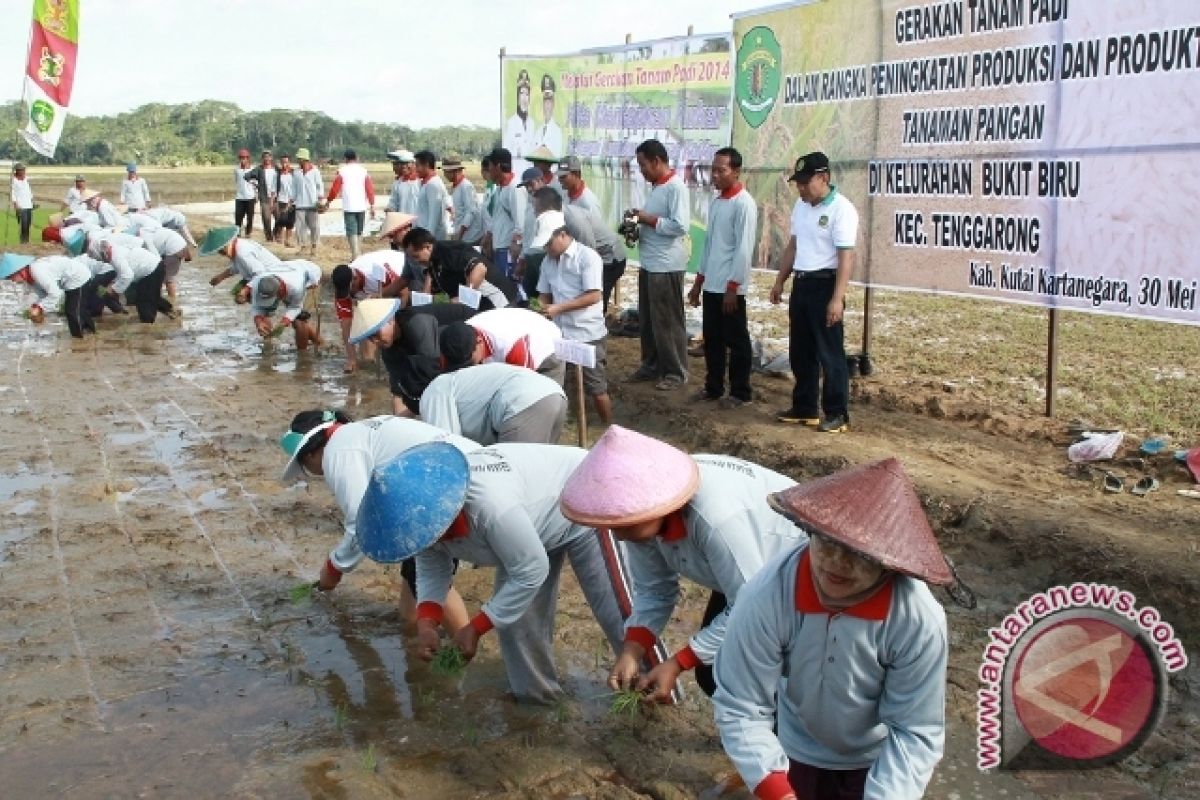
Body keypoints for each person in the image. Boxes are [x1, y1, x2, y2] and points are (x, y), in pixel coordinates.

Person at [713, 458, 952, 800]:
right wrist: (775, 788)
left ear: (889, 563)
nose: (836, 563)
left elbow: (916, 731)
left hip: (876, 758)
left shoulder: (917, 620)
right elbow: (741, 703)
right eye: (827, 543)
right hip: (797, 745)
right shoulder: (769, 593)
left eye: (858, 554)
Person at [353, 441, 629, 704]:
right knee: (513, 620)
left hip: (585, 498)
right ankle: (538, 701)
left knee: (617, 613)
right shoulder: (422, 521)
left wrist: (475, 628)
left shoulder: (489, 507)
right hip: (531, 525)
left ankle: (652, 693)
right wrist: (427, 623)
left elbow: (532, 569)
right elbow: (431, 565)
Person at [560, 425, 806, 702]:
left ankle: (781, 739)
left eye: (622, 523)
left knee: (770, 679)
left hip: (798, 577)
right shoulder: (647, 516)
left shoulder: (717, 518)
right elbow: (655, 589)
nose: (616, 534)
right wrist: (632, 651)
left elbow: (750, 606)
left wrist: (677, 663)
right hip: (748, 578)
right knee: (715, 673)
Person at [279, 409, 472, 633]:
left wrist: (333, 569)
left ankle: (464, 643)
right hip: (451, 473)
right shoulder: (356, 433)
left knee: (431, 578)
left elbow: (359, 524)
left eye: (303, 466)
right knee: (414, 578)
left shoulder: (338, 451)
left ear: (310, 454)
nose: (309, 472)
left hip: (448, 486)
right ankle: (410, 629)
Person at [770, 152, 858, 433]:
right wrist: (780, 281)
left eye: (806, 183)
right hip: (802, 283)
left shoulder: (842, 209)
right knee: (801, 350)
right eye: (798, 183)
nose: (801, 188)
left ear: (824, 178)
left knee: (830, 352)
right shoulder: (801, 206)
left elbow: (846, 257)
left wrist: (836, 298)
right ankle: (804, 407)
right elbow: (793, 246)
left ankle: (836, 412)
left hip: (825, 285)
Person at [688, 147, 757, 409]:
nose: (715, 175)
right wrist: (698, 283)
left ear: (736, 172)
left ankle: (741, 392)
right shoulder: (717, 202)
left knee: (737, 340)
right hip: (712, 284)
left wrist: (733, 286)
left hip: (730, 286)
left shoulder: (744, 204)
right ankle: (713, 386)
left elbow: (743, 249)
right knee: (712, 338)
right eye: (713, 170)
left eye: (721, 170)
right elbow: (709, 246)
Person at [534, 210, 613, 425]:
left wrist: (559, 308)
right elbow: (543, 292)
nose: (546, 249)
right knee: (561, 382)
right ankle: (565, 422)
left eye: (548, 243)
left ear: (562, 235)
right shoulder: (548, 261)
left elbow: (594, 295)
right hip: (560, 333)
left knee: (596, 386)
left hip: (587, 333)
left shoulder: (588, 257)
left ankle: (608, 427)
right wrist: (542, 308)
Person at [628, 139, 690, 391]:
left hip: (666, 266)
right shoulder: (658, 187)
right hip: (651, 264)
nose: (641, 170)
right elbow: (655, 222)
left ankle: (675, 372)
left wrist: (647, 219)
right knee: (649, 320)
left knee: (667, 321)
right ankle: (652, 365)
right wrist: (635, 226)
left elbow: (679, 225)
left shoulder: (675, 187)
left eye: (643, 164)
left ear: (656, 161)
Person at [347, 298, 476, 415]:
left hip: (474, 335)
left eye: (376, 334)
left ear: (390, 320)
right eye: (370, 337)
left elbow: (435, 382)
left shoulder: (417, 324)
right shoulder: (388, 349)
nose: (375, 341)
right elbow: (400, 393)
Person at [420, 362, 567, 445]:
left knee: (514, 474)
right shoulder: (461, 380)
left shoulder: (435, 389)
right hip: (555, 393)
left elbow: (448, 446)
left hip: (523, 402)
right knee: (541, 468)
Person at [558, 155, 627, 313]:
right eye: (559, 176)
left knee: (594, 299)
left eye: (564, 176)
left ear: (576, 174)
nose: (561, 180)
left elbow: (592, 245)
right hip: (592, 250)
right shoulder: (566, 195)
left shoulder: (588, 202)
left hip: (608, 257)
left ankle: (596, 331)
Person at [331, 242, 408, 373]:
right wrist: (351, 359)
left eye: (351, 290)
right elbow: (346, 325)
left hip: (403, 274)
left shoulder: (376, 272)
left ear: (355, 279)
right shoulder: (342, 288)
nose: (350, 295)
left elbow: (404, 292)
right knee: (365, 318)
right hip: (375, 293)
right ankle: (369, 361)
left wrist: (397, 319)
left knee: (398, 326)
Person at [399, 227, 518, 310]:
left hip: (499, 302)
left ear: (427, 247)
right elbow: (444, 296)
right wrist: (427, 299)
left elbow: (479, 268)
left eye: (416, 256)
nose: (416, 261)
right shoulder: (433, 265)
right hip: (479, 306)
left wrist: (465, 296)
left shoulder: (449, 251)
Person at [439, 307, 564, 384]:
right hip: (509, 335)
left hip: (547, 348)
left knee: (542, 404)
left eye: (469, 362)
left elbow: (521, 386)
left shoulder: (511, 346)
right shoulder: (455, 339)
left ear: (479, 342)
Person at [2, 252, 97, 337]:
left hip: (77, 277)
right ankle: (91, 334)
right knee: (79, 309)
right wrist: (37, 307)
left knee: (72, 311)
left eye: (11, 277)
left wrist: (40, 307)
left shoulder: (36, 271)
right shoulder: (30, 277)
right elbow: (44, 295)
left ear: (20, 271)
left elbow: (56, 293)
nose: (12, 281)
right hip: (71, 279)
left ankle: (79, 342)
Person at [242, 261, 322, 350]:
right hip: (288, 270)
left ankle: (302, 355)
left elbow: (295, 307)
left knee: (299, 320)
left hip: (310, 277)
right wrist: (258, 321)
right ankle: (320, 344)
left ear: (280, 290)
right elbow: (257, 306)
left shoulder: (296, 287)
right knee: (295, 320)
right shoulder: (259, 284)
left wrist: (283, 323)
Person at [481, 148, 525, 279]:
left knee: (509, 292)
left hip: (508, 251)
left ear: (498, 167)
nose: (488, 171)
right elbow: (496, 218)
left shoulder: (516, 189)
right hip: (499, 249)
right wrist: (488, 237)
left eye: (489, 167)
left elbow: (520, 224)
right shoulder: (500, 188)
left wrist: (515, 252)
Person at [327, 149, 376, 260]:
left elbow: (335, 189)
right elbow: (369, 189)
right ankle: (357, 254)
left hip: (349, 205)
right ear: (356, 158)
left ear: (345, 159)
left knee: (351, 230)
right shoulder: (363, 171)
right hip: (361, 206)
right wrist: (372, 205)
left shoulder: (342, 171)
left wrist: (328, 201)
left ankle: (355, 255)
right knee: (359, 230)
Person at [202, 226, 285, 286]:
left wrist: (245, 290)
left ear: (226, 245)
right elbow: (237, 267)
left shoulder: (242, 252)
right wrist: (220, 277)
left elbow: (260, 274)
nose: (222, 254)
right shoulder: (238, 246)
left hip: (276, 278)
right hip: (270, 278)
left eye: (221, 251)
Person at [138, 223, 190, 308]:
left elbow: (155, 257)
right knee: (163, 277)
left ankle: (172, 304)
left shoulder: (144, 238)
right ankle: (165, 301)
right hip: (178, 245)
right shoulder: (147, 230)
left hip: (172, 249)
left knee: (168, 279)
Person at [444, 157, 483, 244]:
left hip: (470, 235)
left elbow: (471, 212)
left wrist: (460, 233)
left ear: (456, 171)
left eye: (447, 172)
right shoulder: (457, 186)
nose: (445, 175)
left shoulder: (466, 186)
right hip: (462, 234)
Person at [292, 147, 324, 256]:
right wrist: (292, 199)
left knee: (314, 226)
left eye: (299, 158)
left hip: (312, 203)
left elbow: (320, 186)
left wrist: (320, 198)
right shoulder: (296, 172)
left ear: (305, 159)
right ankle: (303, 246)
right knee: (300, 227)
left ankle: (314, 246)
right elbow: (294, 188)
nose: (298, 161)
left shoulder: (315, 171)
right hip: (300, 203)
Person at [503, 69, 534, 177]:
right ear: (517, 96)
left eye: (527, 94)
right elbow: (506, 155)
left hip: (530, 178)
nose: (524, 98)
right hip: (516, 177)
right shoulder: (511, 123)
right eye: (521, 94)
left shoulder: (532, 124)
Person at [242, 150, 279, 243]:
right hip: (264, 197)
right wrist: (255, 183)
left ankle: (276, 234)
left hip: (276, 198)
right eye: (265, 157)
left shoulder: (276, 169)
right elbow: (246, 176)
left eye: (268, 156)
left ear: (271, 158)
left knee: (280, 218)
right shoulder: (259, 169)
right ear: (262, 159)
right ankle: (269, 238)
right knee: (266, 219)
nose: (267, 159)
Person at [413, 150, 450, 240]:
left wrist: (428, 238)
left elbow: (434, 215)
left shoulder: (433, 184)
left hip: (430, 236)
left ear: (426, 165)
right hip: (424, 232)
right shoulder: (426, 183)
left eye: (418, 166)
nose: (416, 169)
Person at [534, 74, 563, 160]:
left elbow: (556, 156)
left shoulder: (557, 130)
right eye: (544, 102)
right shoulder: (538, 131)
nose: (546, 106)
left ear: (553, 104)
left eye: (549, 102)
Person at [385, 149, 420, 215]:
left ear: (413, 163)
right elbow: (393, 203)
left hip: (420, 223)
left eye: (404, 164)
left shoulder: (422, 181)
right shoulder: (397, 183)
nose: (395, 168)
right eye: (394, 164)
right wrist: (390, 209)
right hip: (403, 221)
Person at [274, 154, 296, 247]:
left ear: (289, 163)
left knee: (290, 221)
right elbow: (274, 187)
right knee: (282, 220)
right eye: (283, 162)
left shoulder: (294, 173)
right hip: (282, 199)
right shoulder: (278, 175)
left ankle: (287, 240)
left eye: (286, 162)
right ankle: (278, 236)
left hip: (292, 200)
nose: (284, 164)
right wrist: (273, 200)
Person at [233, 148, 257, 236]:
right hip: (239, 197)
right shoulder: (236, 170)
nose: (243, 160)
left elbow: (255, 183)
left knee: (250, 217)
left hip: (250, 197)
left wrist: (256, 195)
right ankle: (237, 233)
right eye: (241, 158)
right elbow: (237, 181)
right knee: (238, 216)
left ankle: (248, 233)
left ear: (248, 159)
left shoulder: (253, 170)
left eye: (245, 158)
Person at [10, 164, 34, 244]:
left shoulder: (26, 179)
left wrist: (32, 200)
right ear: (18, 171)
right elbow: (13, 193)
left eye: (24, 170)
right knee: (23, 225)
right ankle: (23, 243)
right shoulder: (14, 181)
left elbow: (29, 191)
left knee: (28, 224)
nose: (24, 171)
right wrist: (15, 204)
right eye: (22, 170)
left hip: (28, 205)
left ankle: (27, 242)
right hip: (21, 206)